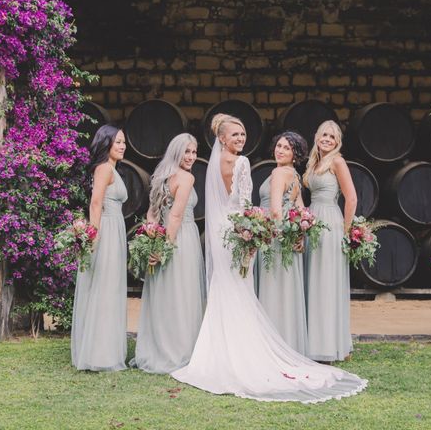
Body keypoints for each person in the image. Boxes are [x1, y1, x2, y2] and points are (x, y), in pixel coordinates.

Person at [171, 114, 367, 403]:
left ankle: (223, 349)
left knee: (226, 287)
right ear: (222, 138)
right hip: (240, 228)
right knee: (239, 286)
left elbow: (260, 205)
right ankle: (243, 348)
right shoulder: (243, 162)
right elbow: (245, 203)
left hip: (224, 229)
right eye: (235, 134)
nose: (241, 138)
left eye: (242, 134)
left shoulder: (220, 163)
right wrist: (254, 226)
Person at [133, 133, 205, 374]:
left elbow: (151, 215)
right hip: (180, 239)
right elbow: (175, 215)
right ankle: (179, 350)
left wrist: (153, 239)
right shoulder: (186, 178)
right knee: (182, 294)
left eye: (194, 152)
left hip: (164, 236)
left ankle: (160, 347)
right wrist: (164, 248)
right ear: (176, 152)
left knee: (165, 292)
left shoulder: (161, 177)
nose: (191, 157)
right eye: (187, 151)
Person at [72, 124, 129, 371]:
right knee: (104, 287)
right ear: (106, 143)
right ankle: (99, 354)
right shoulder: (105, 168)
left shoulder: (112, 169)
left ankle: (105, 348)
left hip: (114, 228)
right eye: (117, 142)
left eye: (124, 142)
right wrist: (93, 236)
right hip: (105, 230)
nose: (122, 146)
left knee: (110, 288)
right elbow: (95, 204)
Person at [303, 120, 357, 362]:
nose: (326, 139)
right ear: (316, 136)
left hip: (330, 221)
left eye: (332, 137)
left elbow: (352, 198)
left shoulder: (337, 161)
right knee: (312, 279)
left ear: (337, 142)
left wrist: (345, 231)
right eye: (323, 134)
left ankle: (330, 343)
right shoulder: (314, 162)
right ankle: (312, 340)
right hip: (312, 220)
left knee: (326, 280)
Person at [257, 132, 308, 354]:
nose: (280, 150)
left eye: (286, 148)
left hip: (274, 238)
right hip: (288, 237)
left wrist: (271, 234)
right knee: (286, 291)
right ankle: (287, 343)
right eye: (278, 146)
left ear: (295, 154)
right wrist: (299, 234)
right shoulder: (295, 176)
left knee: (273, 289)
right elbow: (301, 210)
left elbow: (276, 210)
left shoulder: (279, 173)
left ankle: (271, 345)